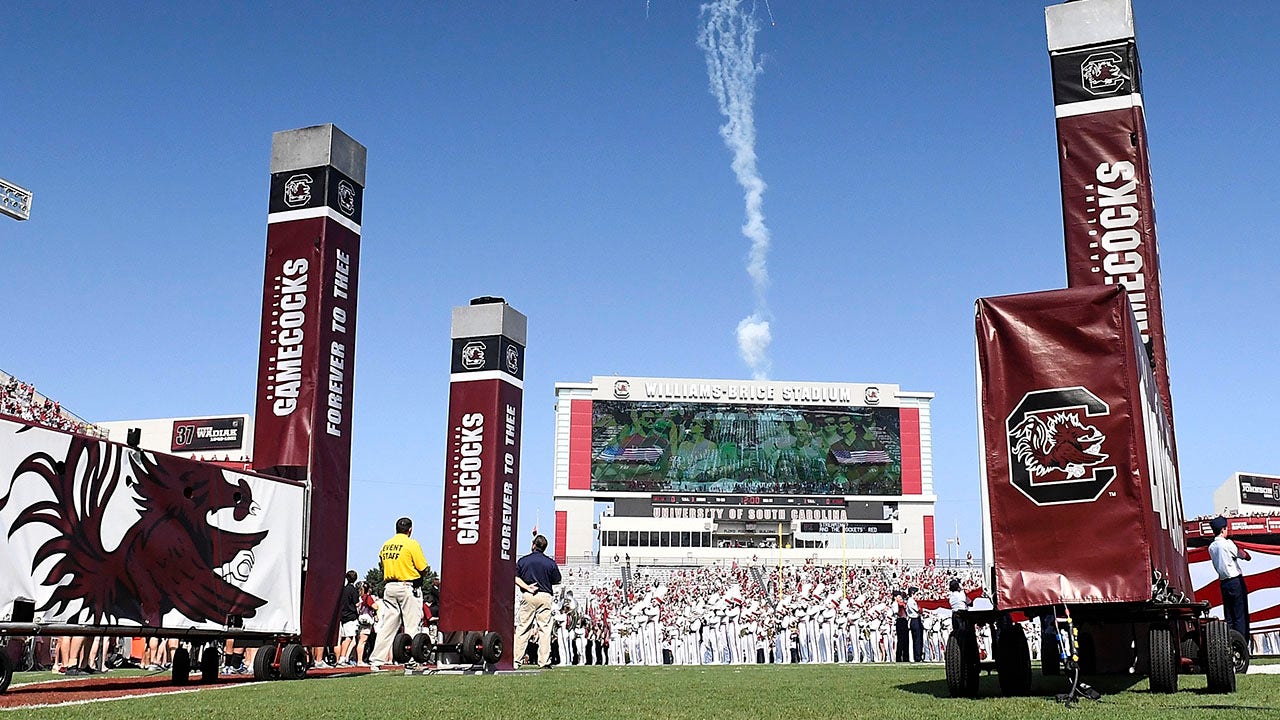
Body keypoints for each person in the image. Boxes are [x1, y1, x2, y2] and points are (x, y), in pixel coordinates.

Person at [368, 517, 429, 670]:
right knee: (412, 624)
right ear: (410, 530)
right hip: (407, 586)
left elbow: (382, 562)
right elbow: (423, 567)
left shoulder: (387, 544)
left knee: (388, 625)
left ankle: (376, 660)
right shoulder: (411, 543)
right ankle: (412, 660)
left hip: (389, 586)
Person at [514, 534, 562, 669]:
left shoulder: (523, 561)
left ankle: (516, 660)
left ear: (534, 545)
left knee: (523, 628)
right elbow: (557, 579)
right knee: (545, 629)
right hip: (545, 595)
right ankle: (543, 661)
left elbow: (515, 577)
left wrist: (527, 587)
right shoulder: (550, 563)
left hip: (529, 595)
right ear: (545, 548)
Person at [1208, 516, 1252, 644]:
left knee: (1229, 617)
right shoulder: (1227, 544)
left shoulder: (1212, 547)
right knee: (1240, 615)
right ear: (1223, 530)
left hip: (1223, 582)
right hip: (1235, 581)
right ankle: (1242, 644)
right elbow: (1244, 556)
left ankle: (1231, 644)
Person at [336, 570, 360, 666]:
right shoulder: (353, 590)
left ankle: (341, 658)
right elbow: (356, 603)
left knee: (341, 639)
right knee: (349, 638)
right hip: (350, 616)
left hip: (342, 615)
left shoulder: (343, 589)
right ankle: (342, 658)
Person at [906, 586, 924, 663]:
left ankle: (918, 655)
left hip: (916, 619)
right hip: (914, 619)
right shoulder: (911, 601)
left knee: (918, 638)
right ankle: (917, 656)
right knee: (917, 639)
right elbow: (918, 610)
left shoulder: (912, 601)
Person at [892, 590, 909, 662]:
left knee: (905, 640)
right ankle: (899, 657)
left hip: (904, 621)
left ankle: (905, 657)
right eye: (899, 596)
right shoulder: (895, 604)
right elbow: (896, 612)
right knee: (901, 640)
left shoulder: (901, 603)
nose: (900, 598)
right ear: (895, 597)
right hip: (900, 621)